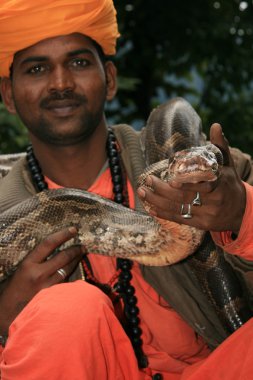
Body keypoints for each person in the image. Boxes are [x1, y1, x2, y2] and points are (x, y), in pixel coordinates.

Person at [0, 1, 253, 379]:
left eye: (79, 62)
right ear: (8, 94)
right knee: (66, 311)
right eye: (37, 69)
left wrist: (241, 212)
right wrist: (4, 319)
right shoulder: (7, 206)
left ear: (111, 78)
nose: (60, 83)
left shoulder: (213, 172)